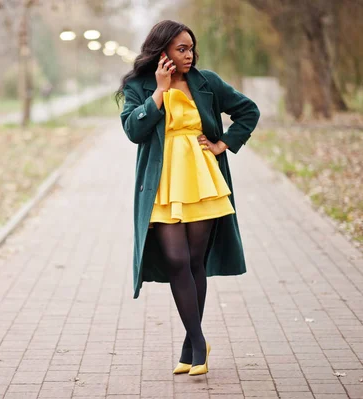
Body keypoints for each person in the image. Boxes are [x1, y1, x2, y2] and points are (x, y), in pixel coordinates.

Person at [116, 20, 260, 376]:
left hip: (202, 178)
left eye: (191, 48)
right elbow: (134, 130)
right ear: (161, 51)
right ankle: (198, 341)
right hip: (163, 182)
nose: (189, 55)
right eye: (181, 49)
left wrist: (224, 143)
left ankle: (191, 344)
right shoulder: (139, 86)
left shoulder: (206, 81)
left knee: (195, 260)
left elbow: (248, 111)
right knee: (176, 259)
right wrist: (159, 92)